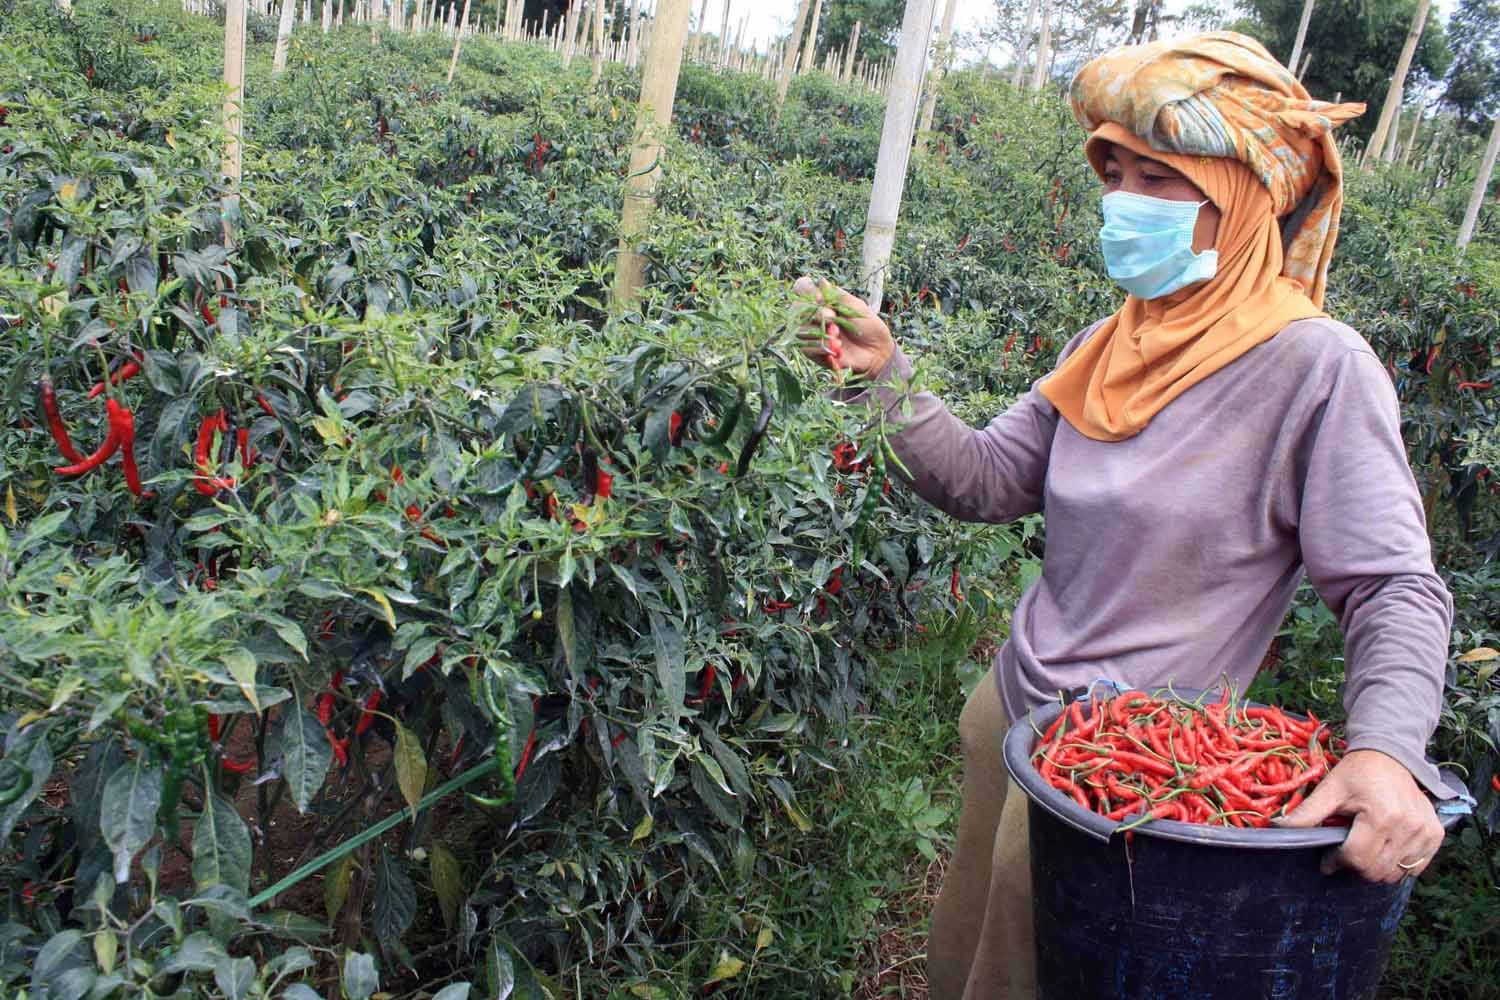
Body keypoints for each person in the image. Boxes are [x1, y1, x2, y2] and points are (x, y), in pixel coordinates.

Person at [795, 32, 1455, 1000]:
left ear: (1239, 205)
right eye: (1119, 170)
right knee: (973, 941)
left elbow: (1392, 582)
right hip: (1011, 717)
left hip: (1118, 785)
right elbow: (985, 480)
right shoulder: (1110, 340)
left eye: (1163, 178)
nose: (1126, 199)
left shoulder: (1317, 369)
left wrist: (1387, 751)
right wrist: (884, 378)